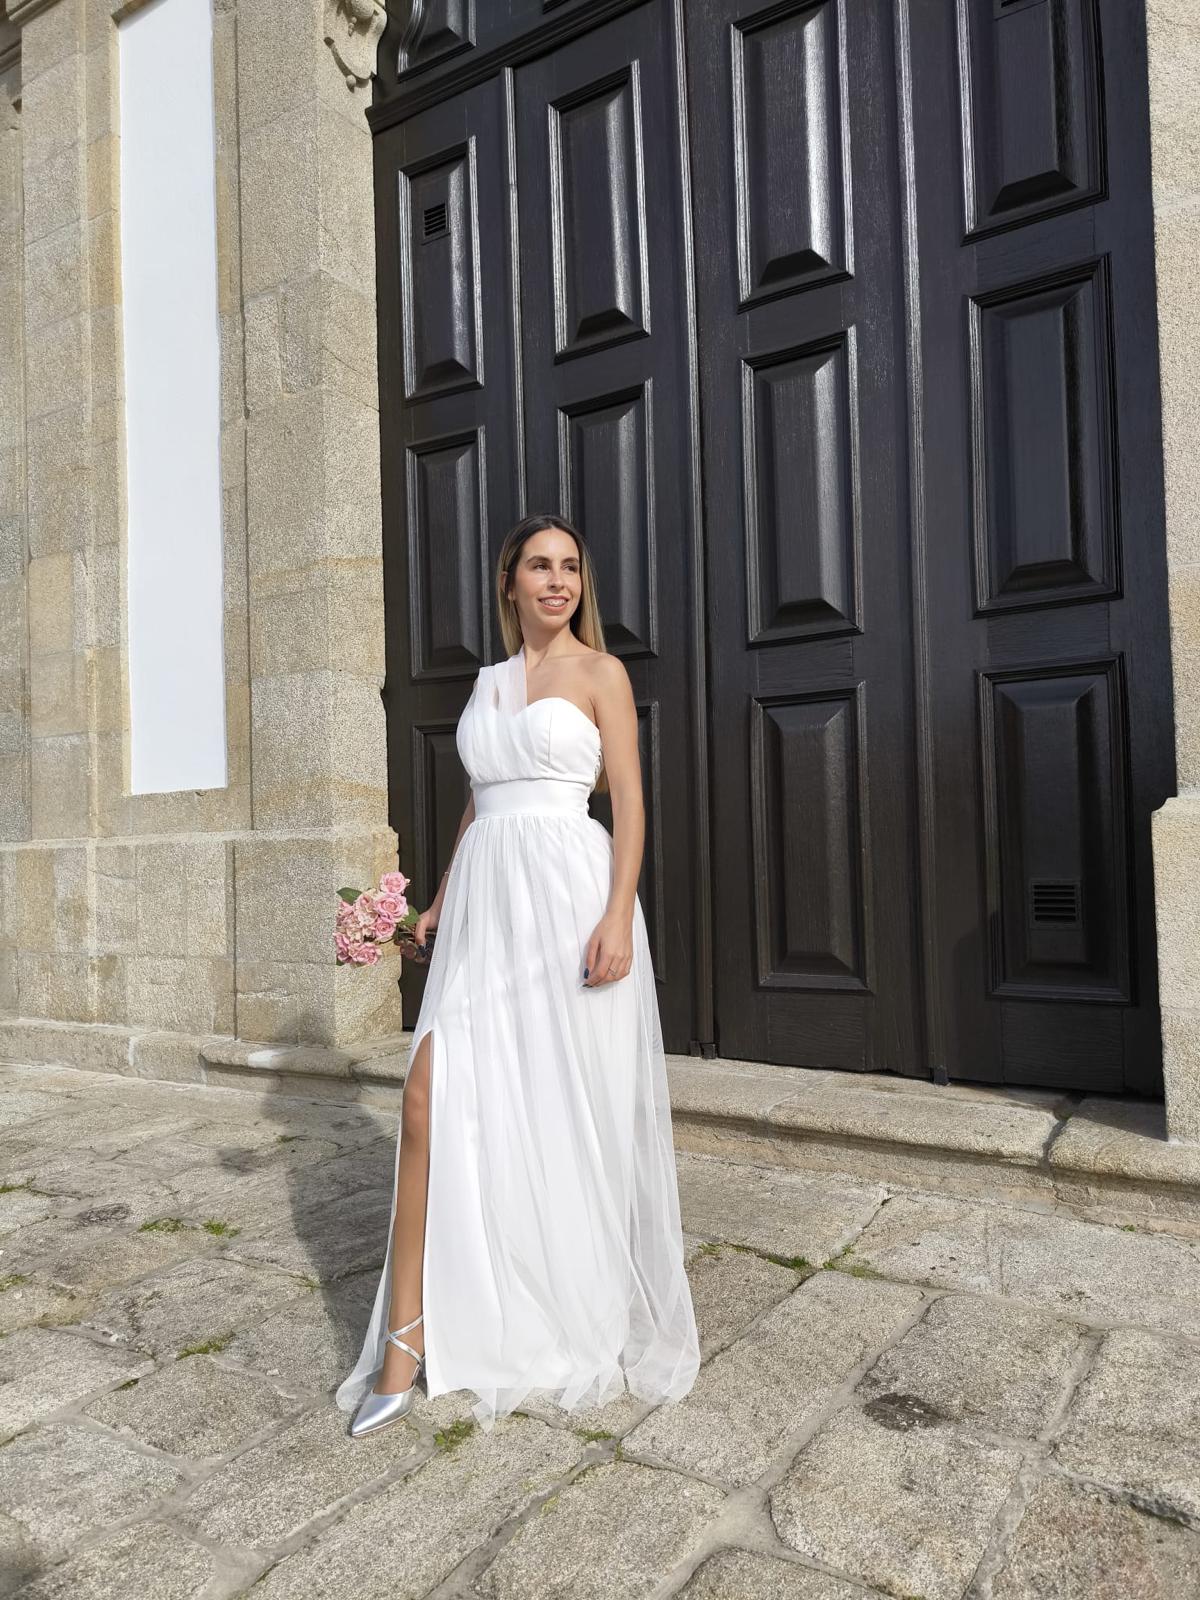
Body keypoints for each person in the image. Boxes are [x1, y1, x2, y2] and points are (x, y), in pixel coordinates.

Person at [335, 513, 700, 1437]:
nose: (557, 581)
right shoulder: (489, 682)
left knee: (555, 1106)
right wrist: (441, 896)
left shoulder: (601, 674)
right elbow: (476, 802)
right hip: (487, 909)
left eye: (570, 567)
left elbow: (631, 803)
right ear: (510, 582)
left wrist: (618, 912)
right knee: (429, 1093)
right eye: (539, 566)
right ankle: (404, 1342)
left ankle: (543, 1300)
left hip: (570, 899)